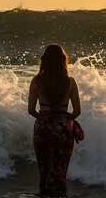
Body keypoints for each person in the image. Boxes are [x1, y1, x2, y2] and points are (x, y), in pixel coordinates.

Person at [28, 44, 81, 197]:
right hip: (64, 128)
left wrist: (44, 119)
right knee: (60, 172)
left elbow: (31, 110)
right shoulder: (70, 82)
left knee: (44, 172)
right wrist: (64, 120)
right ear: (63, 60)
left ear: (44, 60)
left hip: (43, 127)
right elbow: (77, 111)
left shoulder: (37, 81)